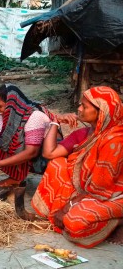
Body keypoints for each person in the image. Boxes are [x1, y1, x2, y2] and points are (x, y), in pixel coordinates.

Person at [32, 86, 123, 248]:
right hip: (86, 190)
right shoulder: (85, 134)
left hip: (111, 195)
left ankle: (115, 222)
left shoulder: (115, 140)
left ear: (101, 112)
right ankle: (73, 214)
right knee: (57, 164)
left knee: (74, 222)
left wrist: (68, 206)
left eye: (85, 106)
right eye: (80, 105)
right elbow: (49, 154)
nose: (79, 109)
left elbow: (100, 189)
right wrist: (55, 122)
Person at [0, 84, 75, 187]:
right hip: (32, 154)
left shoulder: (34, 116)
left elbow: (31, 152)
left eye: (0, 106)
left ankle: (17, 178)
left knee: (21, 143)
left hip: (45, 157)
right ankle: (16, 177)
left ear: (11, 104)